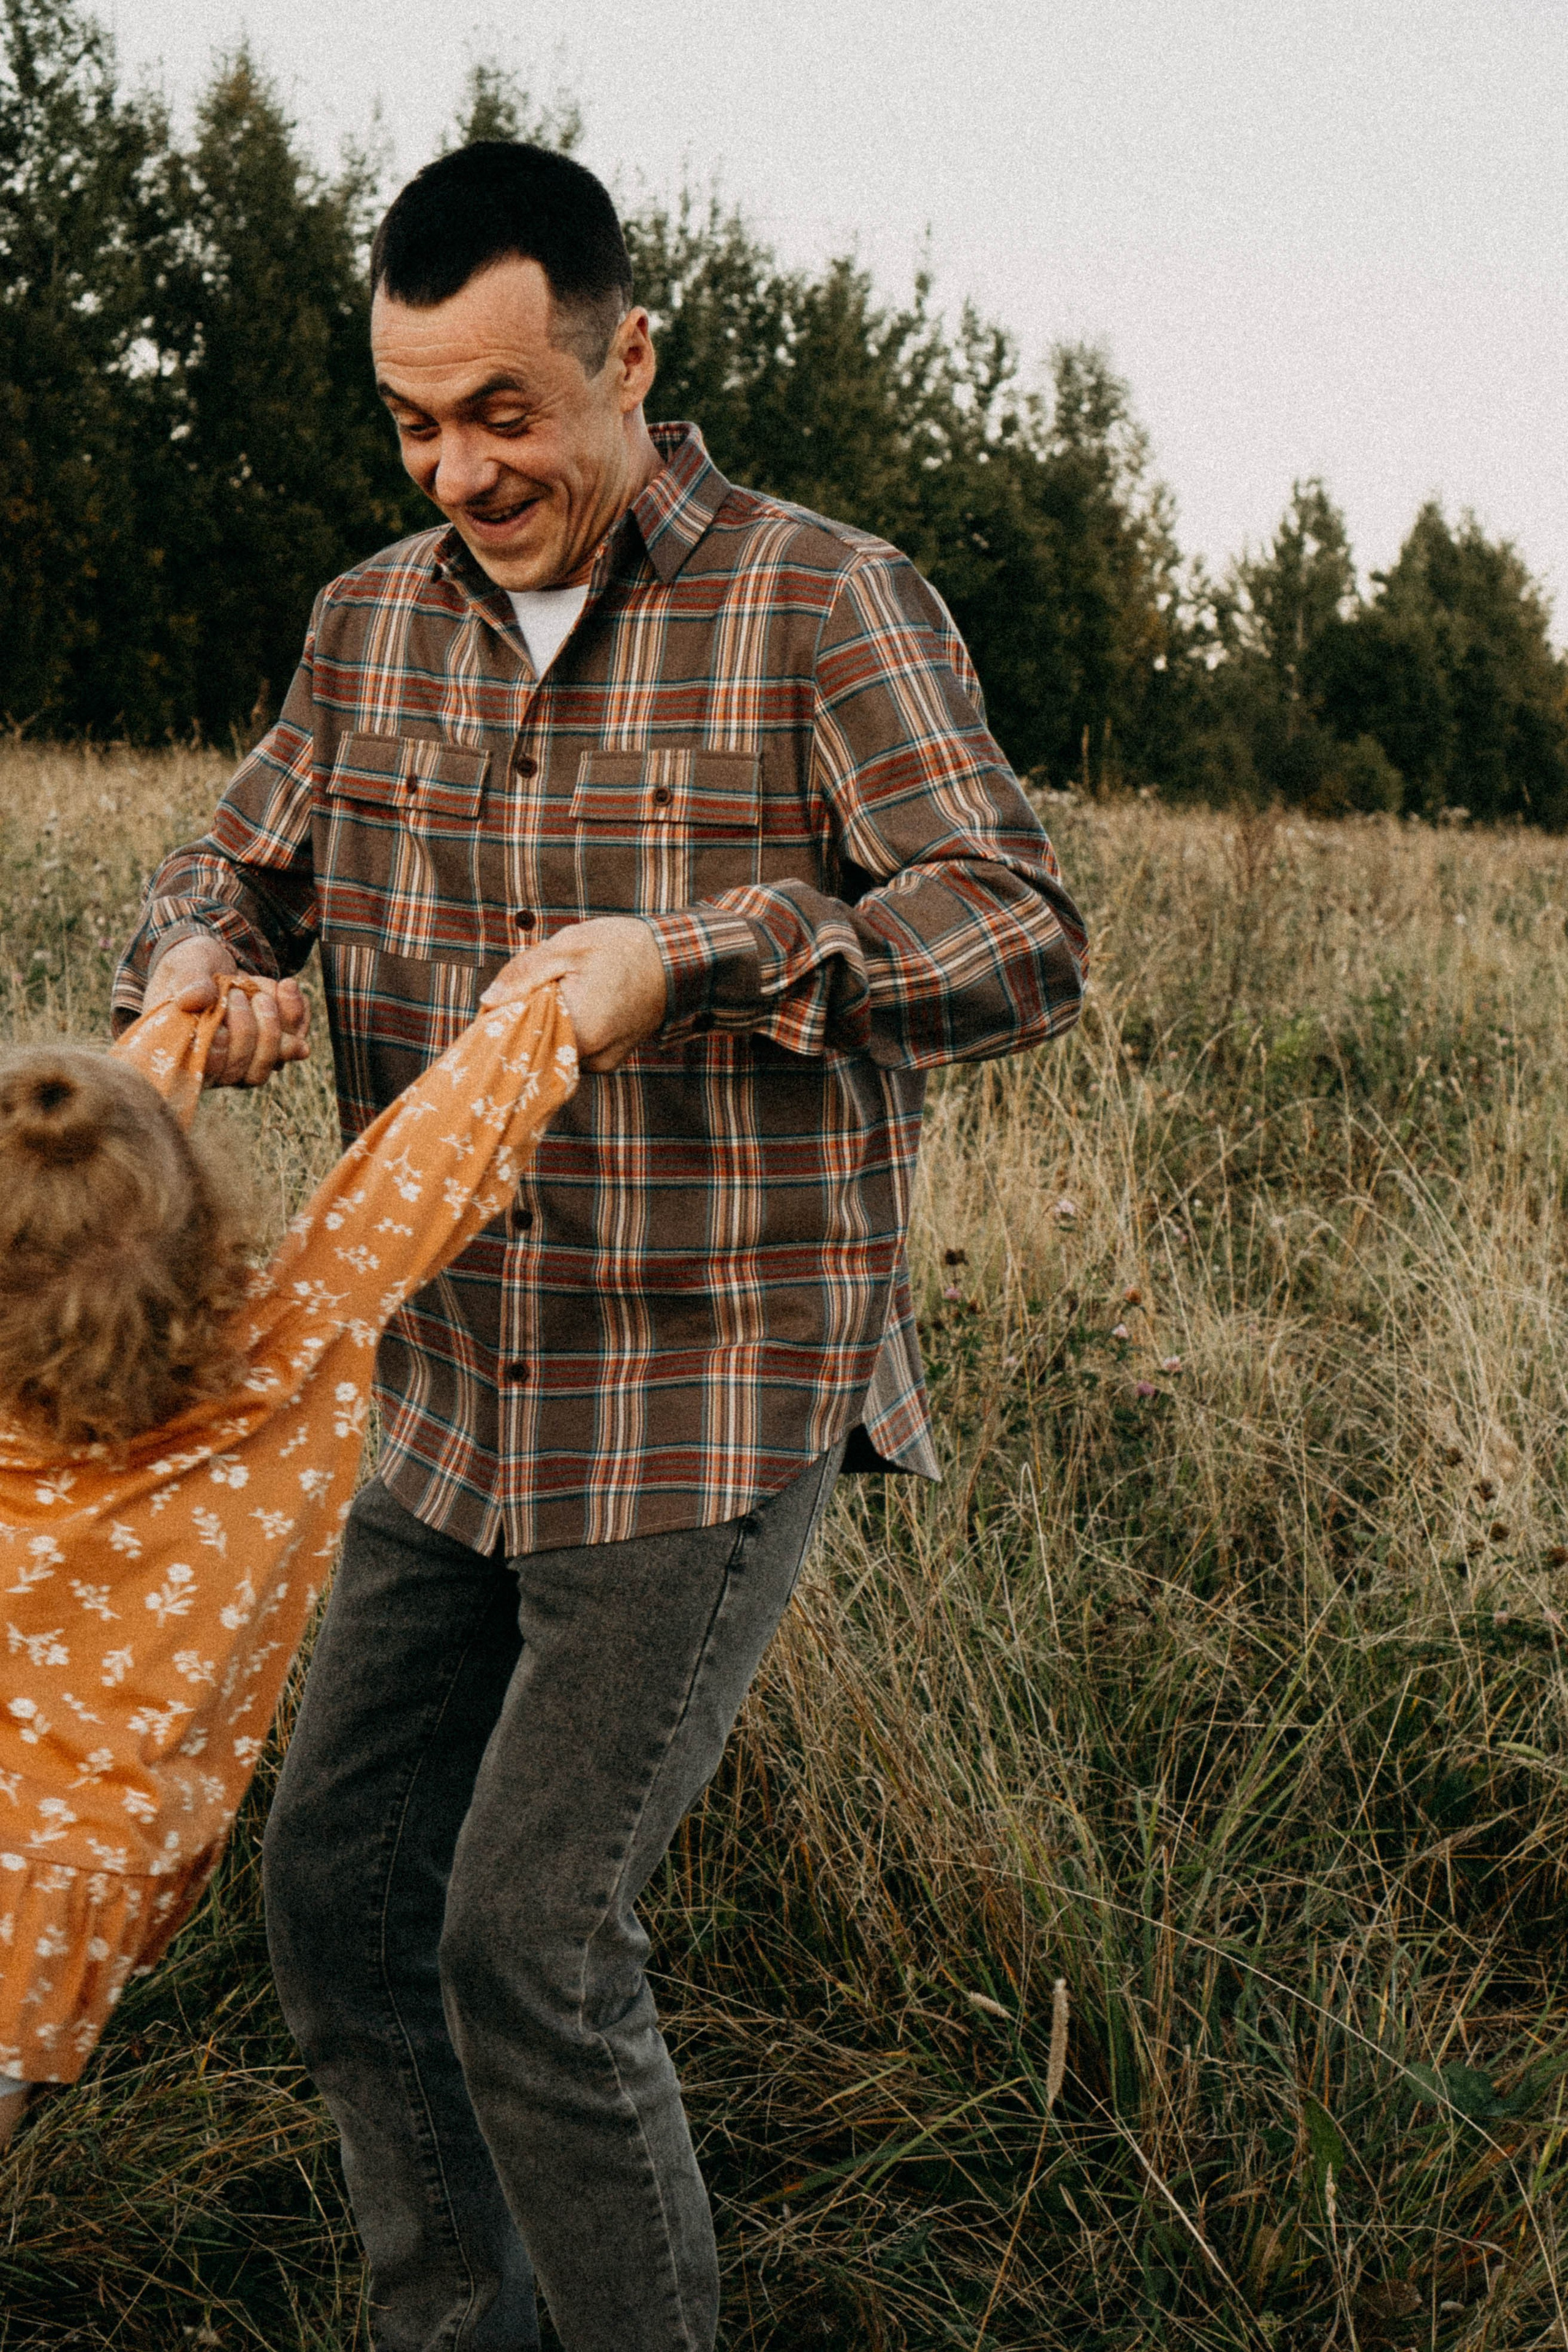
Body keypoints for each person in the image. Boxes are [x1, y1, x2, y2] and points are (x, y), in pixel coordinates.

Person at [114, 140, 1087, 2352]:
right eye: (414, 420)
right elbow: (229, 866)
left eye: (506, 411)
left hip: (707, 1375)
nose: (461, 466)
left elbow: (1021, 930)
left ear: (630, 356)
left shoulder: (825, 600)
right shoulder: (367, 624)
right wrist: (205, 976)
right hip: (441, 1387)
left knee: (527, 1945)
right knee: (343, 1904)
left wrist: (712, 955)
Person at [0, 976, 575, 2155]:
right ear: (198, 1221)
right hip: (55, 1903)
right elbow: (422, 1171)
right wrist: (552, 1012)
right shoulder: (271, 1377)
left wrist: (175, 1036)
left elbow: (52, 1202)